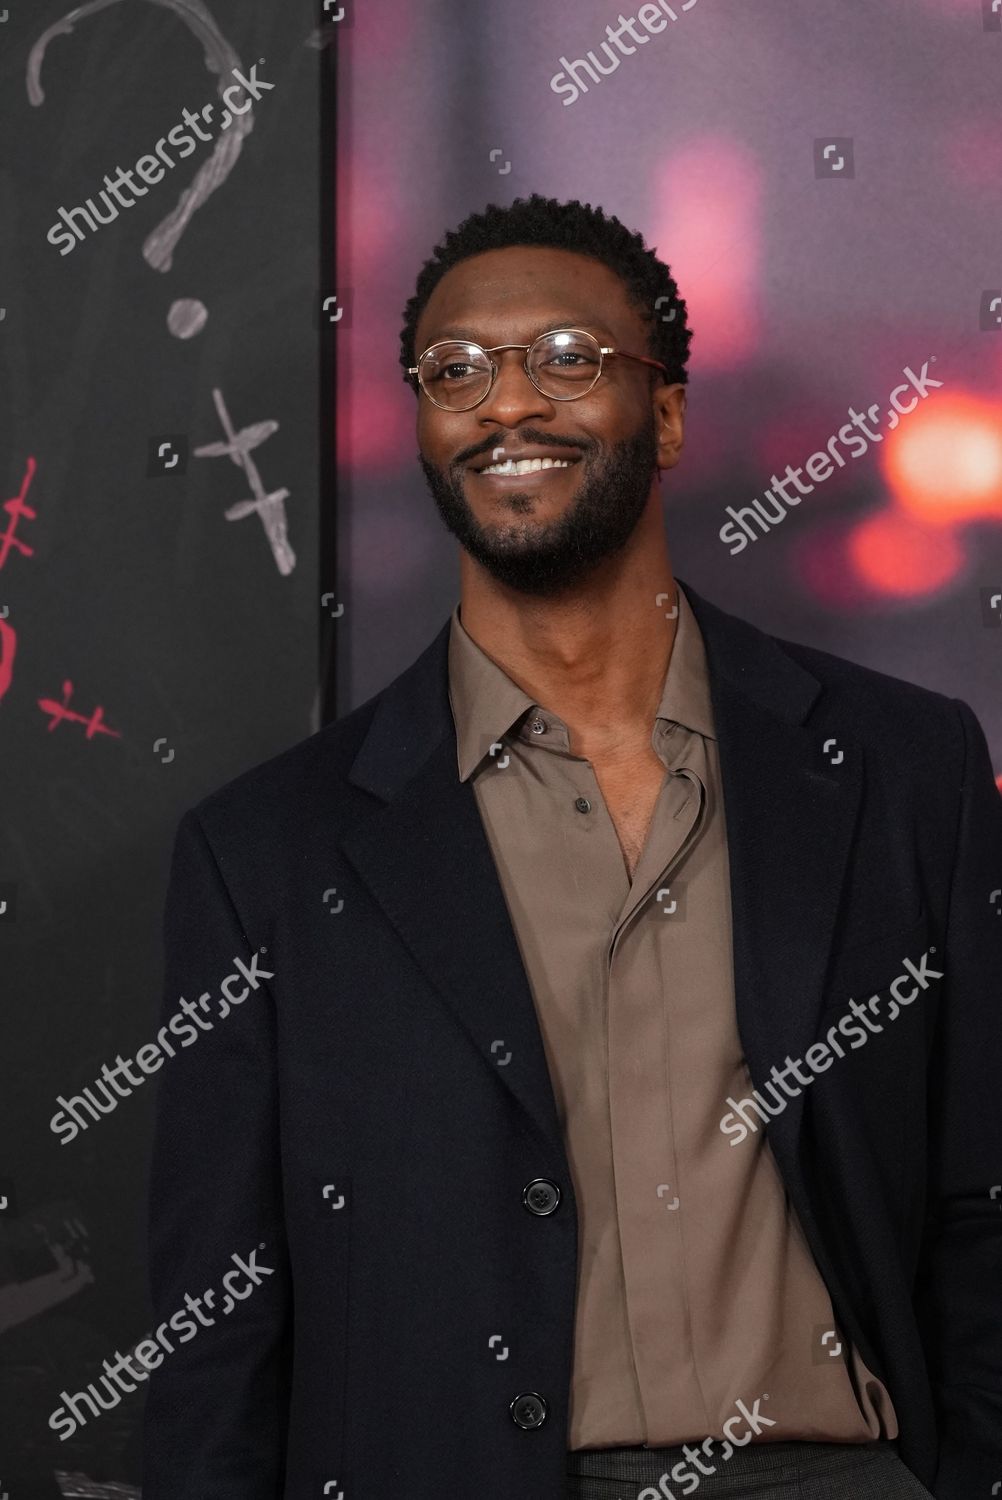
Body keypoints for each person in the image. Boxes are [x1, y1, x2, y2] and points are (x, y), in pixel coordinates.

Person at [142, 194, 1002, 1500]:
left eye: (566, 358)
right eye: (456, 370)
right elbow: (220, 1333)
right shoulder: (265, 854)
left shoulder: (905, 770)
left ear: (663, 413)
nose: (506, 404)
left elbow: (978, 1201)